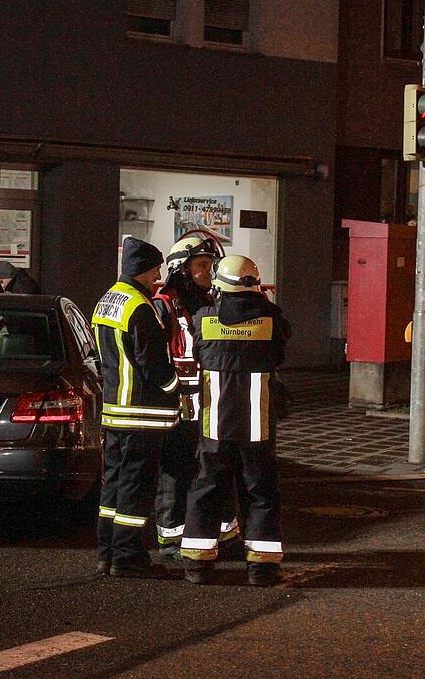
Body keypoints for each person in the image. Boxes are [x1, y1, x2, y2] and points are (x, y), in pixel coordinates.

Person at [180, 255, 290, 587]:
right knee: (260, 491)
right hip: (257, 424)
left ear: (219, 288)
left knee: (207, 489)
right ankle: (262, 569)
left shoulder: (203, 318)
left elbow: (198, 354)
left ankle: (198, 566)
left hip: (215, 423)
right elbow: (280, 355)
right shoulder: (271, 319)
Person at [91, 236, 181, 579]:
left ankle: (107, 553)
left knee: (112, 486)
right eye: (155, 268)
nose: (158, 274)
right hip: (141, 412)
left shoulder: (107, 301)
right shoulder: (139, 308)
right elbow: (153, 363)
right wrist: (174, 386)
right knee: (136, 488)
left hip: (115, 410)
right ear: (142, 269)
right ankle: (128, 556)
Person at [151, 238, 240, 559]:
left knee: (216, 469)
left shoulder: (215, 302)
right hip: (179, 403)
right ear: (181, 268)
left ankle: (223, 535)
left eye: (211, 264)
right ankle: (172, 539)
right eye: (201, 265)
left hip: (213, 403)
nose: (209, 270)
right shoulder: (164, 305)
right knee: (176, 473)